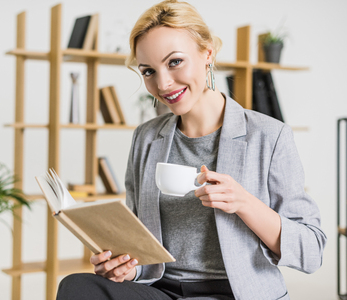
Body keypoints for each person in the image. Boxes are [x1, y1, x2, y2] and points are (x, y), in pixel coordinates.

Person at [57, 0, 326, 299]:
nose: (163, 83)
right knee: (76, 286)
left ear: (207, 52)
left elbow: (311, 251)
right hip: (162, 291)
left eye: (174, 62)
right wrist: (127, 268)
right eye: (148, 71)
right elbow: (142, 248)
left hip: (232, 293)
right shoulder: (146, 138)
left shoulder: (269, 136)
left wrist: (244, 203)